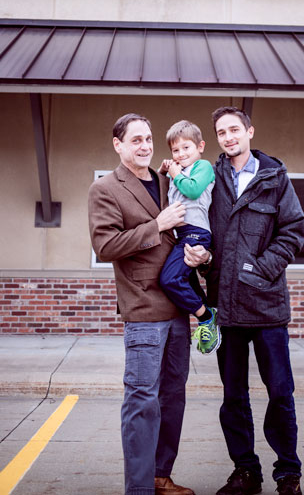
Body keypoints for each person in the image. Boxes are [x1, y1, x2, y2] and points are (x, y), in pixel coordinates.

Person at [184, 107, 304, 495]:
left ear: (250, 131)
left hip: (267, 307)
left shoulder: (275, 178)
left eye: (234, 129)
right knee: (233, 397)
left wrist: (261, 269)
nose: (228, 137)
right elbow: (198, 222)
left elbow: (293, 231)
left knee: (280, 394)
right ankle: (246, 472)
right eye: (221, 132)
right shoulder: (212, 179)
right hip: (227, 308)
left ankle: (288, 474)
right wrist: (204, 263)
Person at [88, 113, 195, 495]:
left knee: (173, 398)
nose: (145, 145)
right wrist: (158, 225)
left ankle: (160, 476)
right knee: (142, 401)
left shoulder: (170, 180)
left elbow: (189, 228)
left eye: (149, 138)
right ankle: (138, 488)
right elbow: (105, 247)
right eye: (136, 140)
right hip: (144, 310)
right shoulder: (105, 189)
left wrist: (200, 256)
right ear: (118, 145)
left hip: (179, 308)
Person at [159, 120, 220, 355]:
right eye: (175, 150)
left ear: (200, 146)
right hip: (179, 234)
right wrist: (163, 173)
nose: (181, 154)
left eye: (187, 148)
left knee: (170, 279)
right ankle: (206, 314)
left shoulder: (203, 167)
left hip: (196, 232)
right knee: (186, 280)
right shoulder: (178, 172)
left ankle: (205, 318)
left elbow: (192, 190)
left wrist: (174, 172)